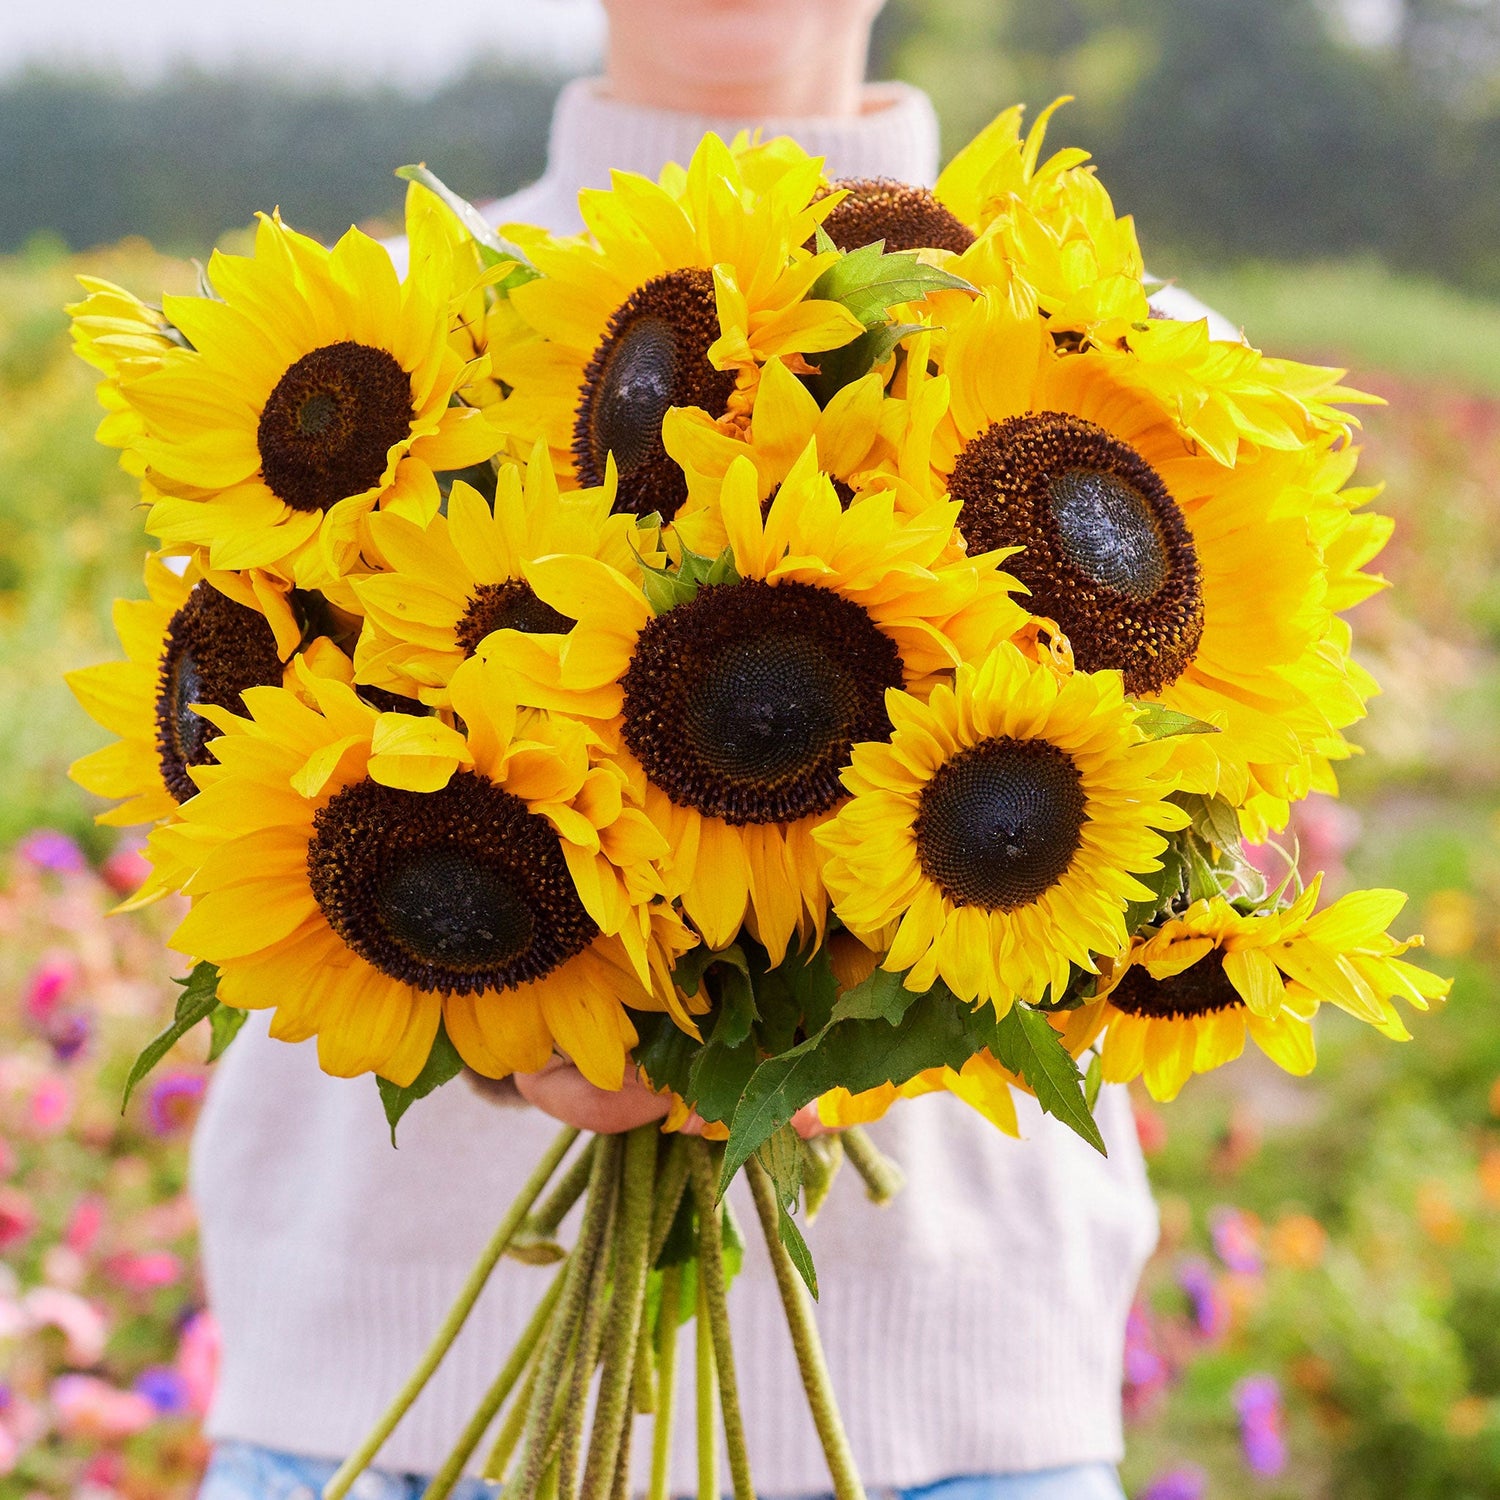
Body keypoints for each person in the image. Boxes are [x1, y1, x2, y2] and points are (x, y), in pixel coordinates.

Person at [192, 2, 1199, 1495]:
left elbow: (1167, 868)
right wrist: (505, 984)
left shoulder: (1132, 349)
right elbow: (237, 791)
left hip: (956, 1429)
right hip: (384, 1416)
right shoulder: (369, 354)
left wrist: (826, 1032)